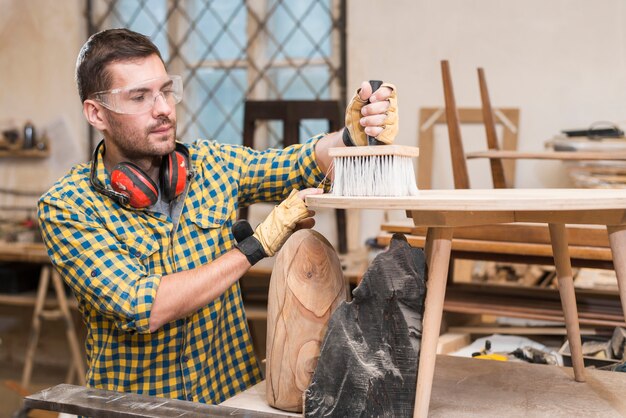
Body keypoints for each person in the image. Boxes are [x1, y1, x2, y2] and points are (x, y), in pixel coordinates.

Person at [37, 28, 398, 404]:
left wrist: (351, 137)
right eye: (140, 97)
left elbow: (298, 163)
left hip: (230, 402)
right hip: (138, 410)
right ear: (97, 113)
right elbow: (143, 306)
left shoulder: (212, 165)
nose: (162, 108)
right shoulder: (68, 205)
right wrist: (256, 247)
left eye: (165, 90)